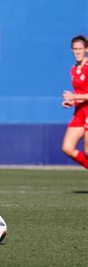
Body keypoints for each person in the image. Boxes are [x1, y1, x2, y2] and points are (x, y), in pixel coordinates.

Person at [61, 35, 88, 168]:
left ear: (86, 49)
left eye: (80, 48)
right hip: (79, 113)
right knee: (67, 147)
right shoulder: (73, 69)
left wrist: (74, 97)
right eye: (75, 49)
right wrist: (71, 102)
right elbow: (79, 93)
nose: (77, 51)